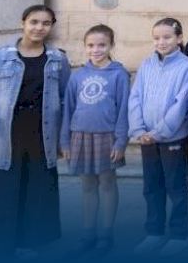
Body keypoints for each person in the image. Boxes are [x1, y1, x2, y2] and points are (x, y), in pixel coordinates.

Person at [0, 5, 70, 259]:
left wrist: (63, 140)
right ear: (23, 23)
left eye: (46, 23)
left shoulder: (58, 59)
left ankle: (30, 243)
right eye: (34, 22)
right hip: (6, 136)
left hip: (42, 135)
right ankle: (3, 245)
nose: (39, 27)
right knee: (1, 193)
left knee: (38, 192)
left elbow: (65, 101)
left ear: (51, 27)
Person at [60, 24, 130, 257]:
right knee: (88, 186)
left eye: (102, 45)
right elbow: (68, 109)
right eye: (91, 45)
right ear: (85, 46)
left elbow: (123, 110)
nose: (96, 50)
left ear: (111, 45)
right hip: (80, 135)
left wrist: (121, 141)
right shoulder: (77, 76)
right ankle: (88, 233)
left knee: (107, 183)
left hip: (107, 136)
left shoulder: (119, 75)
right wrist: (65, 141)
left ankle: (106, 234)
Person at [128, 17, 188, 254]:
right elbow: (135, 97)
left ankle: (179, 235)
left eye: (167, 37)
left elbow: (181, 103)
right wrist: (139, 130)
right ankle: (154, 232)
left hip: (172, 138)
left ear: (179, 38)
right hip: (147, 138)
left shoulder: (187, 66)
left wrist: (159, 132)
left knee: (176, 187)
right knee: (152, 187)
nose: (161, 42)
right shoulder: (147, 64)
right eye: (156, 38)